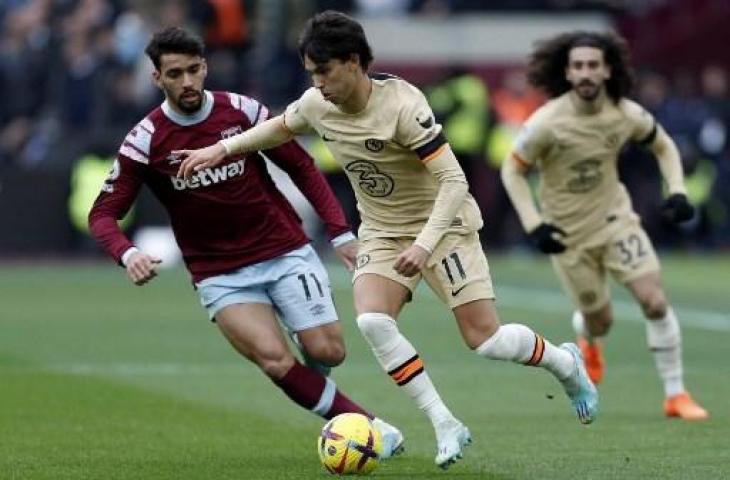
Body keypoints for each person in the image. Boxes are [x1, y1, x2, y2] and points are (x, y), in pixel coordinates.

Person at [175, 11, 598, 469]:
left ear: (353, 62)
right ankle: (444, 424)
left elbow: (454, 183)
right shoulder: (318, 104)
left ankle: (565, 364)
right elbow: (280, 126)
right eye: (311, 74)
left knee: (485, 340)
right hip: (382, 230)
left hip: (444, 226)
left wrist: (425, 244)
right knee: (373, 321)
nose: (317, 83)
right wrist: (222, 148)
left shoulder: (403, 107)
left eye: (324, 71)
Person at [87, 26, 405, 456]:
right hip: (219, 274)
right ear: (157, 79)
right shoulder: (145, 141)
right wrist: (127, 254)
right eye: (175, 73)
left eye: (194, 70)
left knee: (328, 351)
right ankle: (370, 429)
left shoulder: (242, 112)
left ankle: (314, 374)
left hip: (284, 249)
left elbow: (303, 168)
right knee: (275, 361)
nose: (187, 82)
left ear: (206, 68)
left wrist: (340, 232)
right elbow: (102, 214)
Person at [500, 31, 709, 421]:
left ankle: (676, 395)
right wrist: (534, 225)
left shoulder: (624, 113)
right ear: (566, 71)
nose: (586, 73)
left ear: (608, 69)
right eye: (578, 65)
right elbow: (512, 170)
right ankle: (590, 341)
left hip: (616, 222)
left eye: (593, 65)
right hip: (567, 235)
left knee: (654, 300)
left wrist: (677, 190)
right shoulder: (547, 122)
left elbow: (663, 145)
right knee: (601, 318)